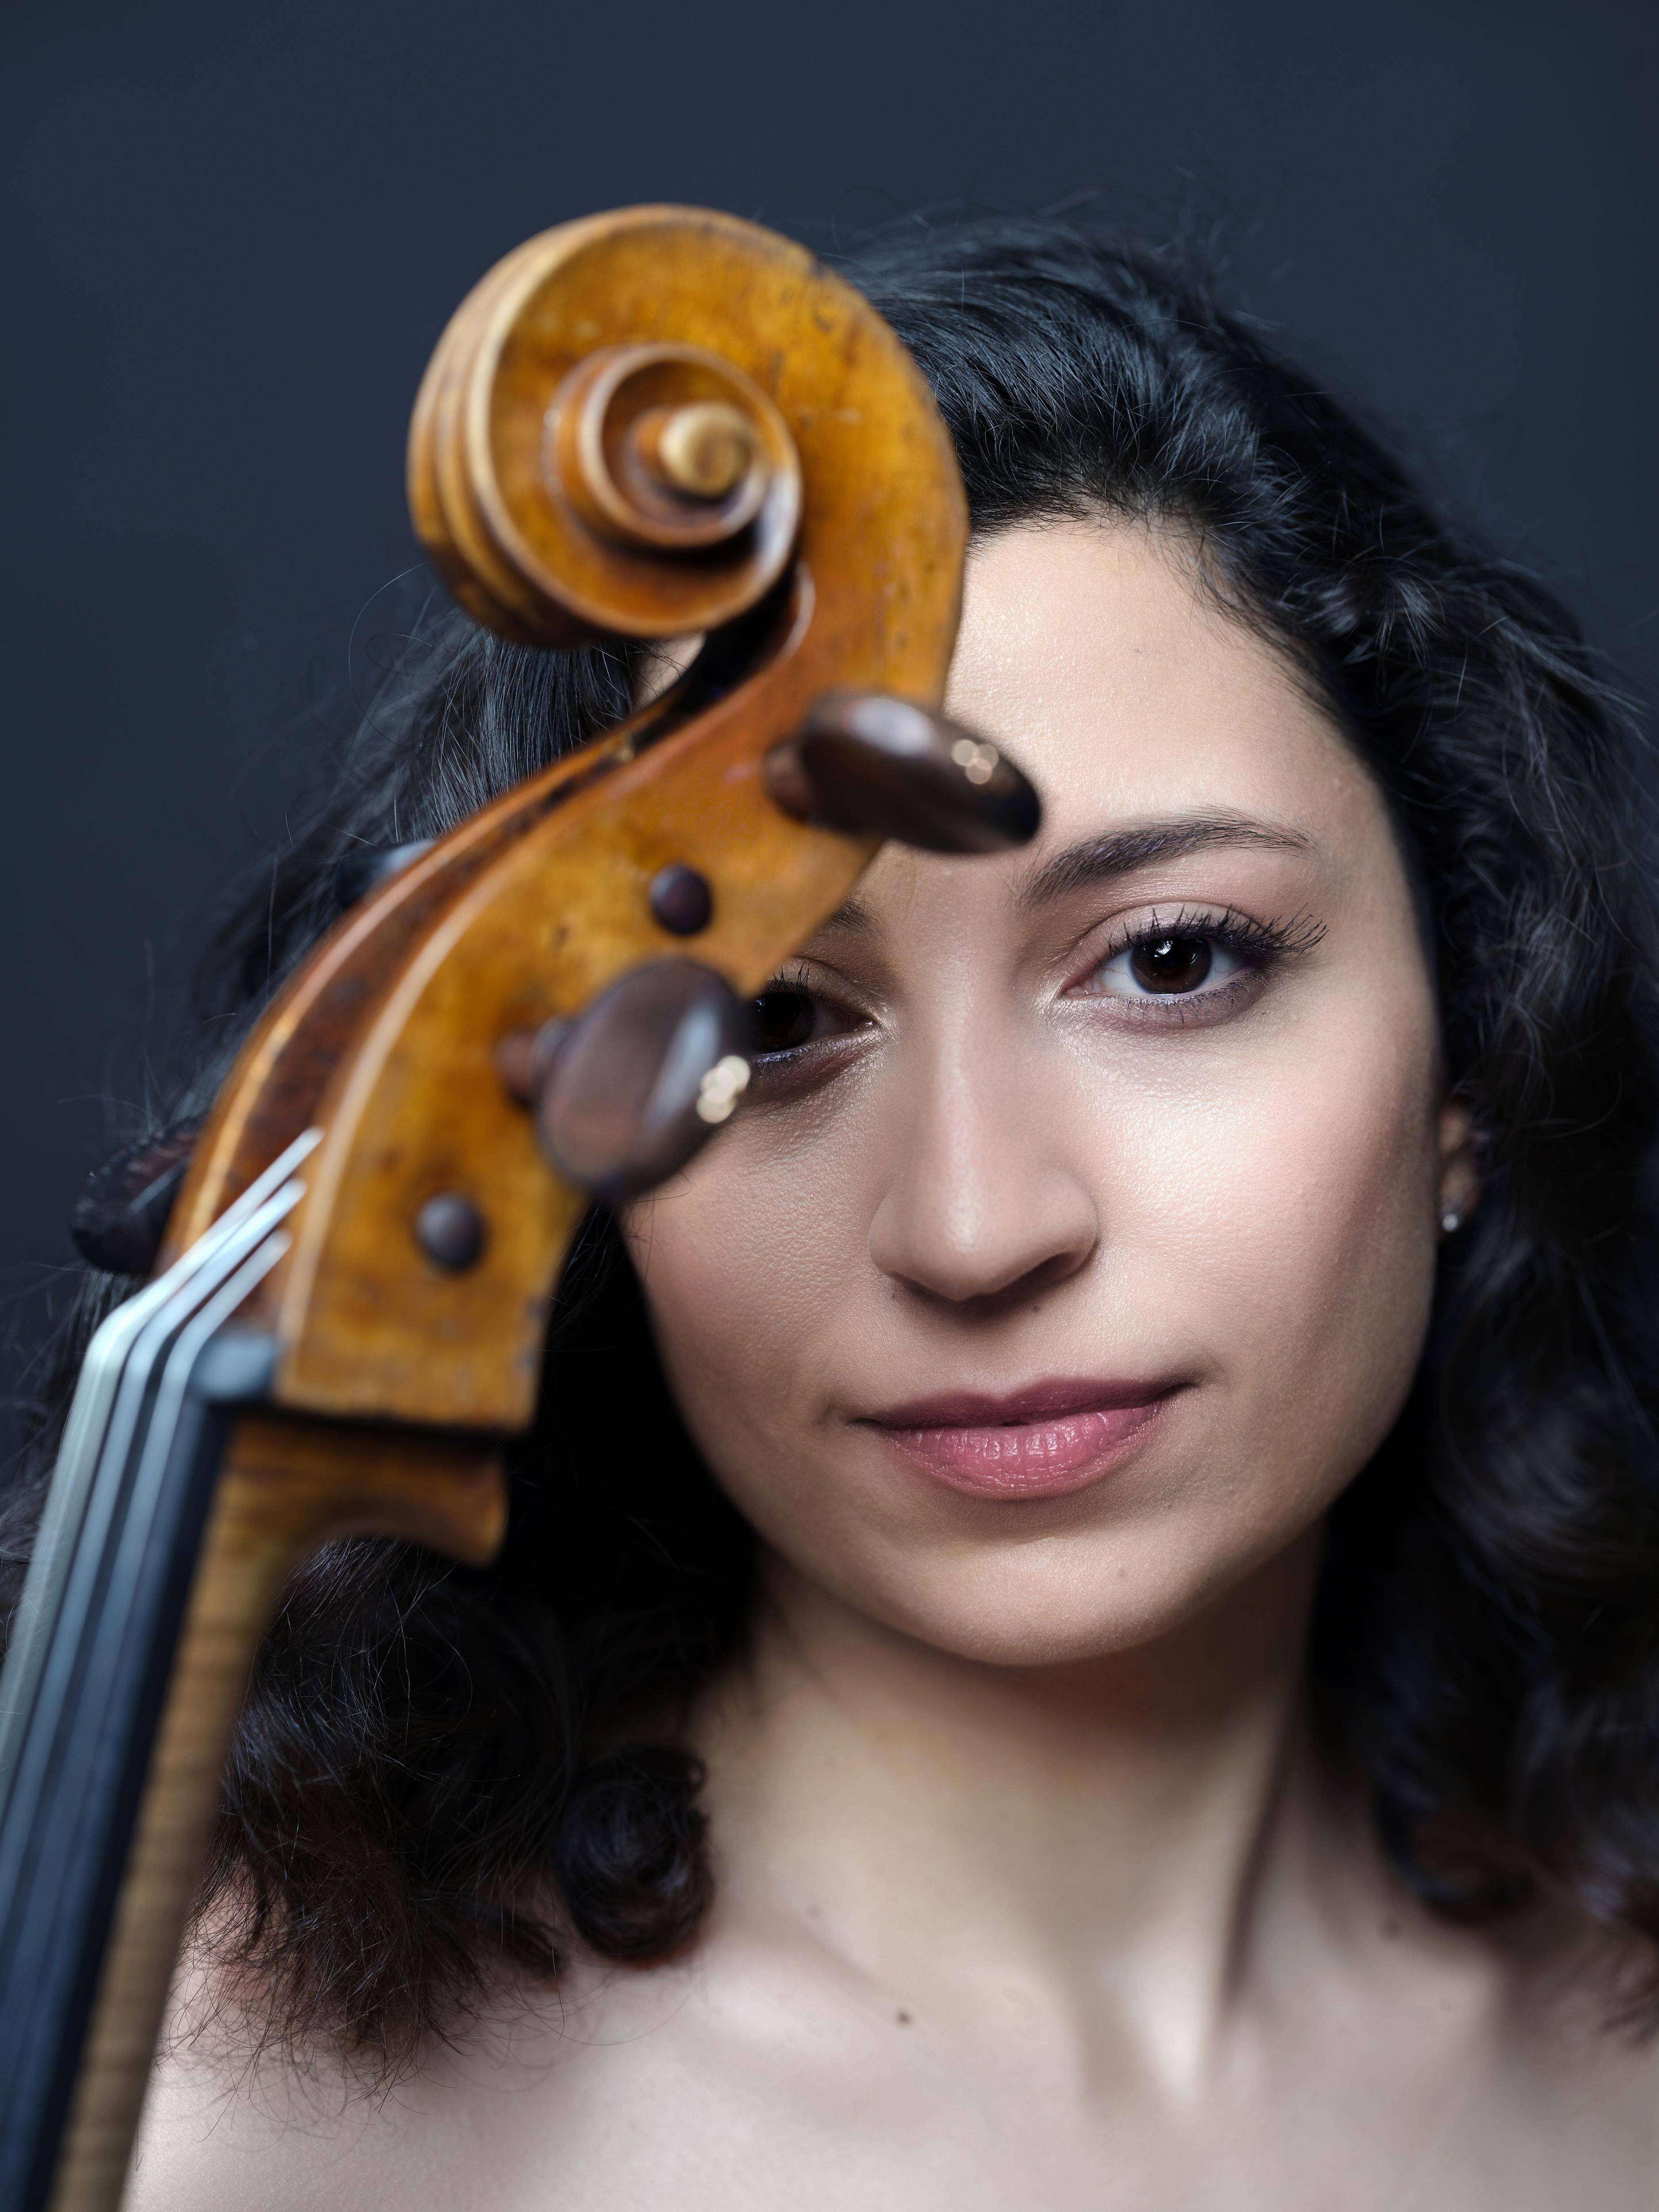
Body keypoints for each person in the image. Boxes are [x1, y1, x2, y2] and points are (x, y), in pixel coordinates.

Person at [10, 215, 1659, 2207]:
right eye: (775, 1013)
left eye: (1167, 961)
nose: (974, 1227)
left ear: (1468, 1056)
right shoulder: (221, 2122)